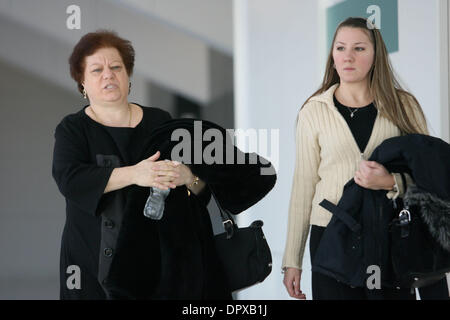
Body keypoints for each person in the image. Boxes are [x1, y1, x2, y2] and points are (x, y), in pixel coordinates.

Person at [52, 30, 230, 299]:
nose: (108, 75)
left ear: (128, 76)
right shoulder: (73, 129)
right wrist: (136, 174)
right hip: (91, 266)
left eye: (116, 67)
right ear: (82, 84)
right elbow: (71, 180)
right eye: (97, 70)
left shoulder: (160, 122)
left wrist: (188, 177)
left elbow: (202, 187)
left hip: (158, 266)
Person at [282, 17, 449, 300]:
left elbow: (431, 174)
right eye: (340, 48)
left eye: (359, 48)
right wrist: (292, 260)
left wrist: (391, 182)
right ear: (332, 56)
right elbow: (303, 187)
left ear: (376, 56)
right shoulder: (313, 111)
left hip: (391, 234)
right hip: (331, 237)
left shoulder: (403, 105)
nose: (348, 56)